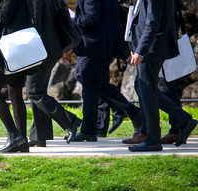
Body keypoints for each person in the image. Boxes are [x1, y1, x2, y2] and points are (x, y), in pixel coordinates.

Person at [127, 0, 197, 151]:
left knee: (146, 89)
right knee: (143, 87)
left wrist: (141, 50)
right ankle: (183, 119)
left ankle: (153, 139)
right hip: (150, 46)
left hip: (152, 48)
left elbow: (152, 21)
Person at [72, 0, 142, 142]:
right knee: (89, 79)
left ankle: (89, 130)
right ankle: (129, 111)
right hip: (102, 44)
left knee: (90, 83)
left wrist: (72, 20)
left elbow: (91, 18)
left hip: (96, 44)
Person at [25, 0, 82, 148]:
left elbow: (35, 23)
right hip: (52, 47)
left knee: (33, 92)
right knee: (39, 91)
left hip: (41, 48)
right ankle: (39, 135)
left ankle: (70, 121)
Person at [0, 0, 34, 153]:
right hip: (17, 49)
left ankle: (14, 135)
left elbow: (4, 15)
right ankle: (22, 141)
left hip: (9, 51)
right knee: (15, 92)